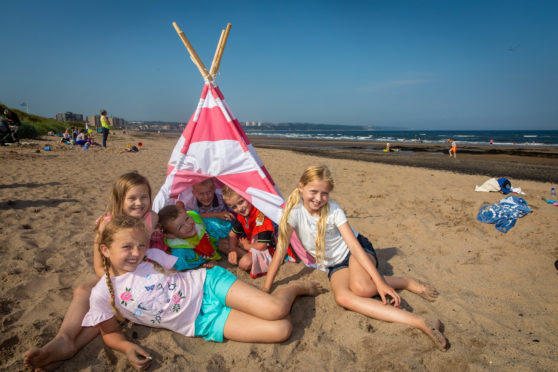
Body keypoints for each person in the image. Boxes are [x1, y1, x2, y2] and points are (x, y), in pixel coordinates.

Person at [82, 215, 324, 369]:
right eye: (127, 246)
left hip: (208, 285)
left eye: (140, 245)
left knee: (277, 309)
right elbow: (110, 333)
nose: (136, 252)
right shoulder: (102, 292)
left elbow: (184, 266)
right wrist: (127, 348)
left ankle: (294, 288)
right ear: (105, 250)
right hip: (202, 322)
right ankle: (259, 305)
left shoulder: (153, 256)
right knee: (281, 329)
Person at [262, 165, 447, 351]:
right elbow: (280, 251)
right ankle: (422, 321)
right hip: (334, 265)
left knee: (362, 288)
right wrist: (266, 287)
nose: (318, 198)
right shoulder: (294, 214)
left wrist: (379, 283)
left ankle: (404, 282)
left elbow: (354, 247)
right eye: (313, 191)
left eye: (324, 193)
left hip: (357, 251)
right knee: (342, 298)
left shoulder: (333, 210)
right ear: (300, 187)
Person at [24, 172, 161, 371]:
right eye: (132, 198)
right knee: (83, 290)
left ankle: (71, 347)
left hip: (139, 273)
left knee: (111, 305)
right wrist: (113, 283)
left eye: (144, 197)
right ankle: (64, 338)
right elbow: (99, 266)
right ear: (119, 199)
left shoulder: (152, 218)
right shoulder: (105, 224)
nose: (139, 203)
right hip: (111, 273)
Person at [221, 186, 278, 277]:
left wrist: (246, 246)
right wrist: (232, 250)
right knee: (221, 243)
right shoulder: (242, 215)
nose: (239, 208)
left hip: (269, 250)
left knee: (244, 263)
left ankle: (253, 258)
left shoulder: (260, 215)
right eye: (234, 207)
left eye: (241, 202)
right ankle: (248, 255)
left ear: (248, 197)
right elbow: (232, 234)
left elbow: (262, 246)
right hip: (253, 244)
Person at [158, 203, 222, 270]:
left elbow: (214, 227)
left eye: (187, 219)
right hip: (195, 263)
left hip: (211, 248)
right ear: (171, 235)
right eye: (180, 227)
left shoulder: (197, 223)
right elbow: (177, 267)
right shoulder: (178, 249)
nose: (188, 225)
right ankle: (212, 258)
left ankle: (213, 257)